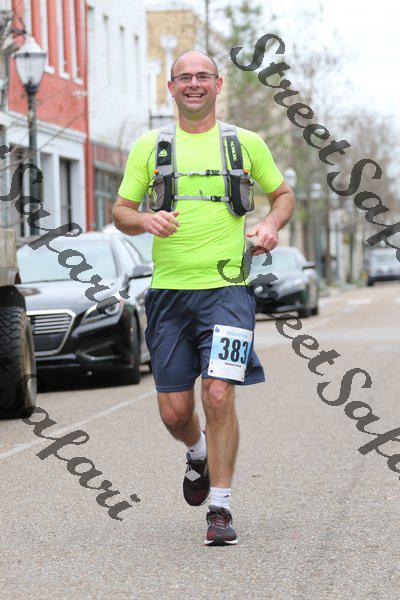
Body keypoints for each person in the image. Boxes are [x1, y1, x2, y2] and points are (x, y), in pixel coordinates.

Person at [113, 50, 295, 546]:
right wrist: (145, 219)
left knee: (218, 392)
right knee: (174, 411)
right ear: (171, 87)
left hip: (227, 293)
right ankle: (197, 453)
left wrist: (270, 225)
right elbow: (121, 211)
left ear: (218, 84)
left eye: (203, 77)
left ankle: (220, 506)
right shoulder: (151, 146)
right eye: (184, 77)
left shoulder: (245, 143)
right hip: (169, 295)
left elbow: (283, 196)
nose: (194, 84)